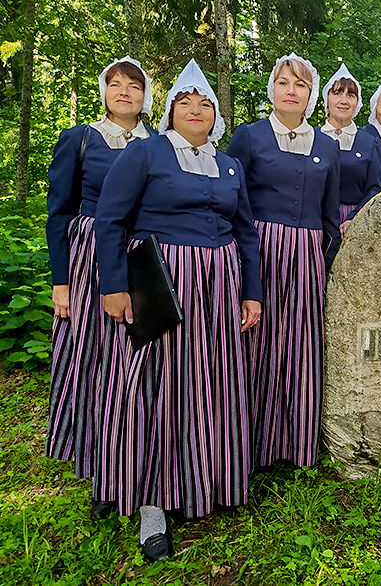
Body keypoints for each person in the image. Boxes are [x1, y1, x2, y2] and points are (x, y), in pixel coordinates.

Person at [95, 59, 262, 561]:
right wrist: (115, 287)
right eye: (185, 102)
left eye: (205, 103)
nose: (196, 109)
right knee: (157, 388)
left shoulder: (228, 163)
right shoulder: (146, 153)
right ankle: (150, 505)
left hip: (219, 285)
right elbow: (109, 219)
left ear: (216, 116)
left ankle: (199, 482)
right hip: (163, 281)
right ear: (168, 111)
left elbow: (245, 230)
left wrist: (251, 290)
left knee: (209, 384)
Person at [45, 56, 155, 512]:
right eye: (115, 84)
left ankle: (143, 460)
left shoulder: (161, 143)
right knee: (99, 364)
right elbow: (59, 212)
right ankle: (102, 470)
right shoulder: (81, 138)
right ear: (104, 90)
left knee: (141, 362)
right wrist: (62, 281)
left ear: (146, 94)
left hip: (144, 255)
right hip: (92, 254)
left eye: (134, 84)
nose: (124, 91)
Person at [226, 53, 340, 471]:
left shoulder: (327, 145)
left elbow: (330, 216)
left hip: (307, 256)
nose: (292, 92)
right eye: (284, 84)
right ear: (272, 89)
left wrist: (325, 262)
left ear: (312, 95)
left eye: (301, 86)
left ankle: (292, 443)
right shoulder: (249, 137)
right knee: (254, 343)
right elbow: (233, 203)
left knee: (299, 346)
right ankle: (247, 444)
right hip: (258, 249)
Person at [319, 64, 381, 236]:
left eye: (350, 95)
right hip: (314, 220)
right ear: (327, 99)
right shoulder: (311, 138)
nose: (344, 100)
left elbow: (374, 188)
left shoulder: (370, 143)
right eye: (337, 93)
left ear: (357, 102)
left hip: (355, 222)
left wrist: (354, 218)